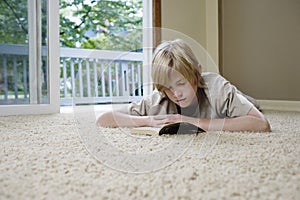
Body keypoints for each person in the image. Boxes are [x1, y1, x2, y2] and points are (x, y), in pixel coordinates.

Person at [97, 39, 271, 132]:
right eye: (168, 87)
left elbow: (260, 124)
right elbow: (104, 119)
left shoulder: (218, 88)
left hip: (236, 97)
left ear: (197, 73)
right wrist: (148, 120)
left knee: (252, 104)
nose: (176, 93)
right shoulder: (160, 99)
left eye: (181, 83)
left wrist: (190, 121)